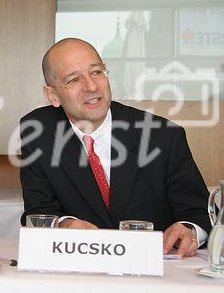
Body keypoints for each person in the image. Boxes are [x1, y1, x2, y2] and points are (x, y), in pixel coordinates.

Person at [20, 37, 211, 257]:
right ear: (52, 95)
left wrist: (190, 229)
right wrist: (64, 224)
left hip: (153, 272)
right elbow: (38, 211)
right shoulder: (38, 132)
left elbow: (200, 213)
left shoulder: (163, 136)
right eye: (74, 80)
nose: (91, 86)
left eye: (96, 72)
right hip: (80, 270)